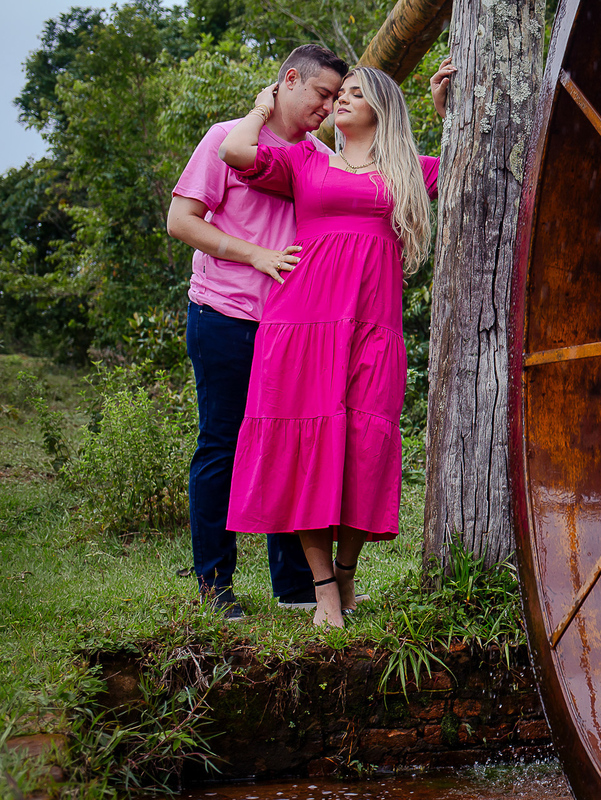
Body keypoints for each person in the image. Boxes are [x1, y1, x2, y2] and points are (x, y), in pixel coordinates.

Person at [219, 61, 454, 627]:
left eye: (354, 94)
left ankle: (347, 573)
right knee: (303, 445)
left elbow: (465, 168)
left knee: (364, 446)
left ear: (382, 108)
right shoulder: (305, 159)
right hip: (300, 323)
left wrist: (446, 112)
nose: (339, 101)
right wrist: (263, 105)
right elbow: (235, 152)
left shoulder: (406, 171)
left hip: (373, 327)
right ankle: (324, 589)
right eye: (338, 93)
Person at [167, 45, 350, 620]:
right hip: (223, 315)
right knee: (222, 445)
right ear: (289, 80)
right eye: (321, 93)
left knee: (289, 448)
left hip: (291, 330)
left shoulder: (318, 155)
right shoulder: (228, 137)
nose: (328, 107)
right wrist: (256, 255)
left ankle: (294, 585)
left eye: (335, 98)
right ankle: (214, 585)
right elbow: (181, 221)